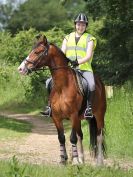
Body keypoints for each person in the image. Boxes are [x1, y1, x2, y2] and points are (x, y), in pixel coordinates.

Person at [41, 13, 97, 118]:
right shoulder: (67, 37)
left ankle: (88, 108)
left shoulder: (90, 39)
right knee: (49, 82)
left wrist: (78, 62)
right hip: (68, 69)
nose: (81, 27)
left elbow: (89, 56)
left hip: (84, 69)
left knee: (91, 84)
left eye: (83, 25)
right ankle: (49, 106)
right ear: (75, 25)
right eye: (79, 24)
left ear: (86, 26)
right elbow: (62, 54)